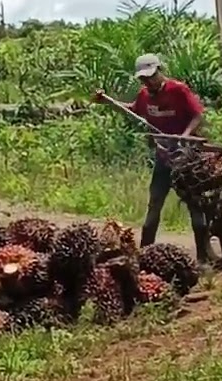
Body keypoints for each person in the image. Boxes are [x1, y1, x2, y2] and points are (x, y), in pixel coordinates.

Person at [92, 54, 215, 264]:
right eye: (144, 79)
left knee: (195, 209)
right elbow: (132, 110)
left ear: (160, 70)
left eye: (151, 76)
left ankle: (204, 259)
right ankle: (143, 256)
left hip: (188, 158)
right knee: (154, 206)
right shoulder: (144, 96)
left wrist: (184, 137)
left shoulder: (178, 90)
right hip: (164, 158)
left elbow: (197, 115)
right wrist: (108, 102)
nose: (148, 82)